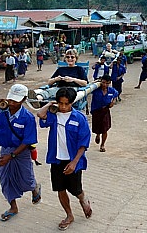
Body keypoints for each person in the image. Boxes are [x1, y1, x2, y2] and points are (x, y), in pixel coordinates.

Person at [0, 84, 41, 221]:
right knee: (5, 179)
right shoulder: (1, 111)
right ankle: (13, 206)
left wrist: (12, 156)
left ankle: (35, 188)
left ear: (24, 99)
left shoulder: (28, 118)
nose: (12, 103)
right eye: (10, 100)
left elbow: (27, 141)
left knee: (27, 179)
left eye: (16, 101)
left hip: (21, 151)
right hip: (5, 150)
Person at [37, 87, 92, 230]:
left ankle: (83, 199)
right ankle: (69, 215)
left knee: (75, 189)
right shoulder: (53, 115)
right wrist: (49, 105)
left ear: (72, 103)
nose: (63, 107)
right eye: (60, 103)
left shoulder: (79, 118)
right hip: (56, 160)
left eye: (66, 104)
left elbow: (84, 143)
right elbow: (40, 114)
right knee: (60, 189)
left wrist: (74, 162)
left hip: (73, 161)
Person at [90, 74, 118, 152]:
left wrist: (113, 101)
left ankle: (102, 145)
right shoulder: (95, 89)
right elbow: (88, 88)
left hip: (105, 110)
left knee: (105, 129)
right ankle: (98, 134)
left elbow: (116, 94)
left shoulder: (111, 90)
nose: (105, 85)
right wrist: (96, 82)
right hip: (96, 111)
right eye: (103, 82)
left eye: (107, 83)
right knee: (97, 127)